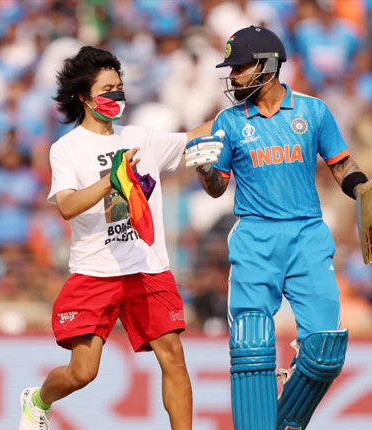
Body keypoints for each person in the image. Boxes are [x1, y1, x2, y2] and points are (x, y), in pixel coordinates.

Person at [196, 26, 372, 430]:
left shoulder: (313, 111)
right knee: (252, 341)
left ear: (268, 65)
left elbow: (342, 166)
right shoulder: (228, 121)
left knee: (325, 349)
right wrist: (205, 169)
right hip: (255, 236)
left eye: (239, 67)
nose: (233, 76)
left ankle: (282, 422)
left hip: (308, 234)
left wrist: (371, 196)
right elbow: (217, 187)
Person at [19, 46, 221, 430]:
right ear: (84, 97)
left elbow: (196, 135)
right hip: (95, 271)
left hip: (147, 267)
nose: (116, 95)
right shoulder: (66, 149)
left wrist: (247, 108)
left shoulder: (141, 137)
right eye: (107, 89)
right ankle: (38, 400)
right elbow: (67, 206)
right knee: (82, 372)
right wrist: (111, 180)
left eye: (119, 87)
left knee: (173, 357)